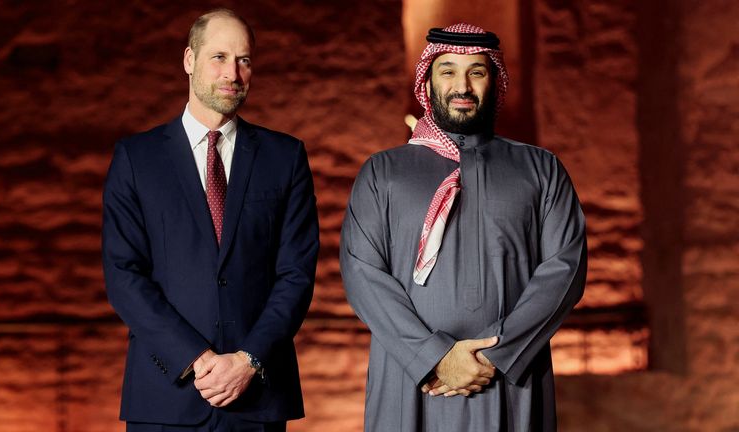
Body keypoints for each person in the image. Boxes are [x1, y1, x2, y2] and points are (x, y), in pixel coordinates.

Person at [340, 23, 587, 431]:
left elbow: (565, 270)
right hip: (413, 380)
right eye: (448, 71)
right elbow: (362, 273)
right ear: (427, 81)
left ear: (494, 82)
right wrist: (434, 357)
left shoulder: (542, 169)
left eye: (476, 72)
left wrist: (495, 356)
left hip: (511, 376)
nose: (463, 86)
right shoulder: (382, 172)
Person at [102, 9, 318, 432]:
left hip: (257, 397)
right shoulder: (136, 159)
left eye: (244, 60)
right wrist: (197, 360)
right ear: (188, 60)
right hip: (166, 397)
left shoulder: (285, 157)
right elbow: (123, 274)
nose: (233, 73)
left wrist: (247, 360)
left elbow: (296, 274)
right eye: (218, 57)